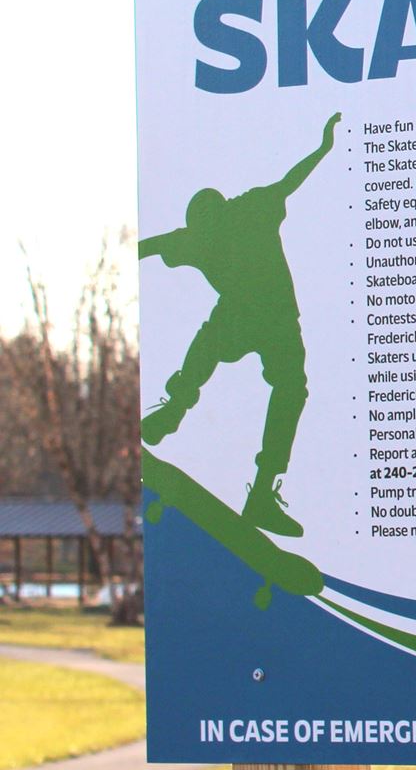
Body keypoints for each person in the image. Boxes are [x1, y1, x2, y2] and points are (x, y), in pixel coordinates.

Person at [138, 113, 340, 538]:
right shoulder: (211, 227)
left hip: (267, 316)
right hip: (265, 316)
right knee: (242, 360)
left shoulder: (247, 208)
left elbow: (290, 180)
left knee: (226, 351)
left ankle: (258, 488)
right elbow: (149, 247)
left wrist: (323, 148)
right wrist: (322, 147)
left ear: (220, 210)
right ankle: (258, 488)